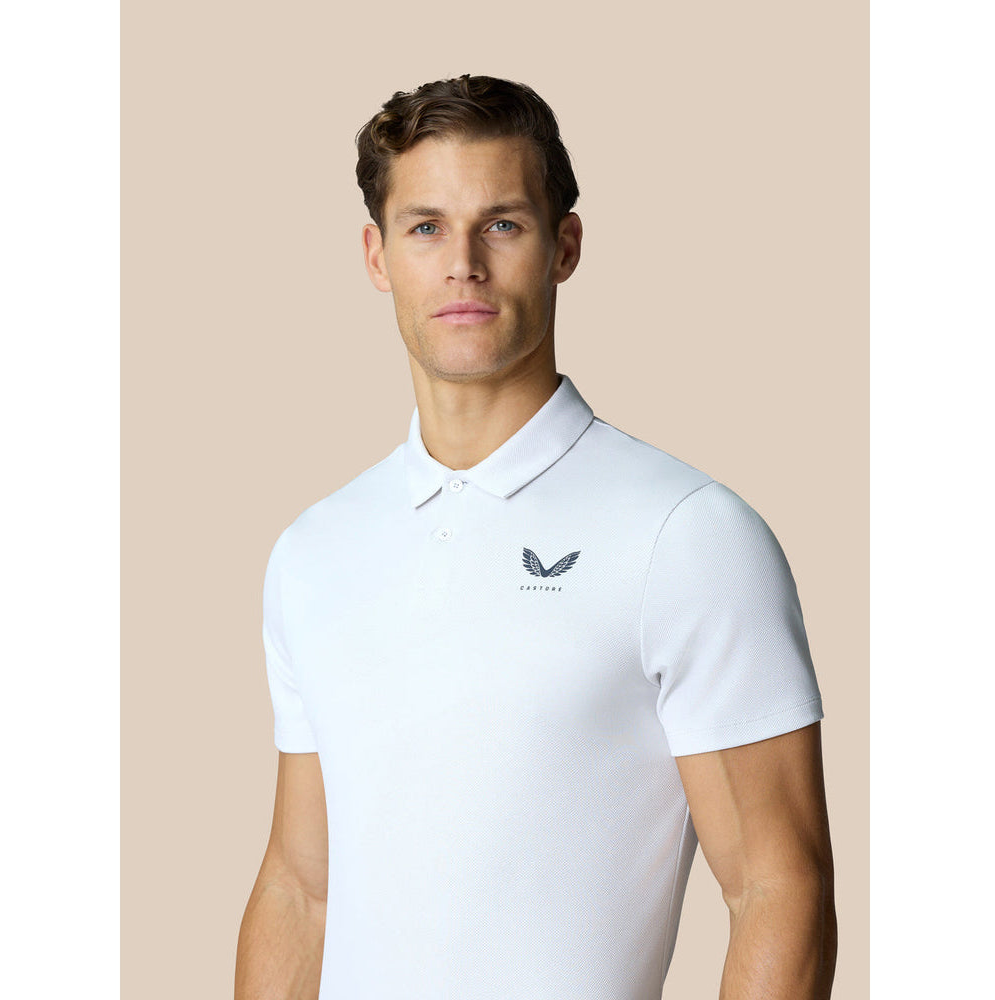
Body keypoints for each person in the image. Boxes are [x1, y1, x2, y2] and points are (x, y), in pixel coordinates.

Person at [234, 74, 837, 1000]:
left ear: (565, 247)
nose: (462, 264)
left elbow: (777, 887)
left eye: (503, 224)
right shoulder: (313, 553)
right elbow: (301, 890)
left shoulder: (686, 534)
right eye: (425, 227)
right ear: (376, 255)